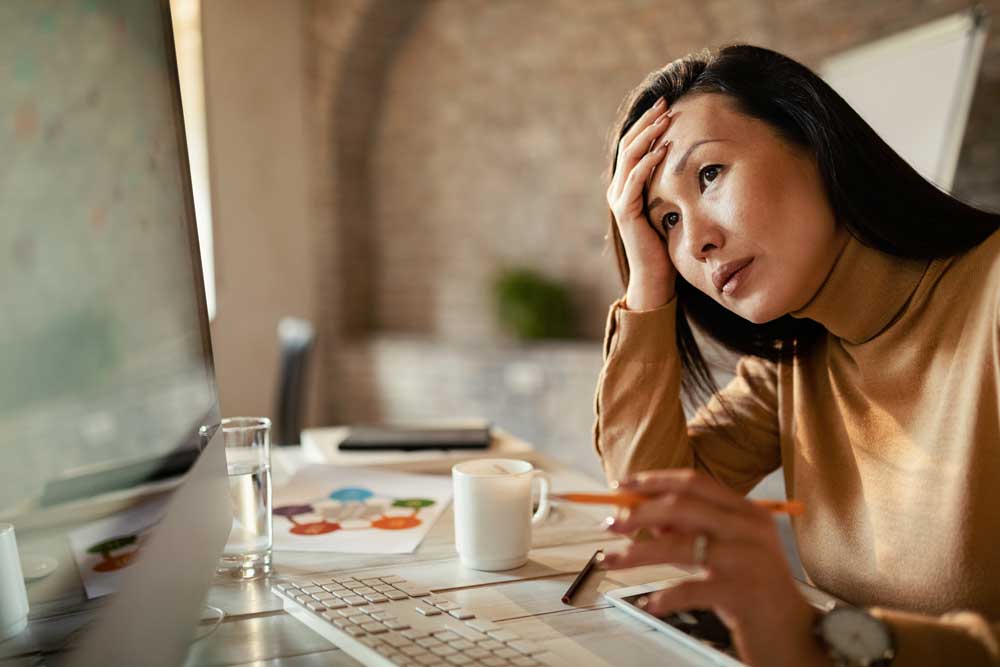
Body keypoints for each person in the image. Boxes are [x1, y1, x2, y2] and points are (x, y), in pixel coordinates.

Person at [592, 44, 1000, 667]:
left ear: (813, 138)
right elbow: (652, 520)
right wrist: (646, 285)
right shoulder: (792, 364)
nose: (697, 238)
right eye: (666, 221)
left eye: (709, 175)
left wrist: (823, 642)